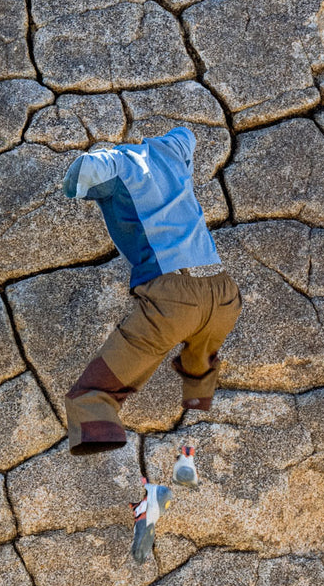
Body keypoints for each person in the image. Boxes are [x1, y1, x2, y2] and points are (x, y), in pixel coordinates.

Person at [62, 126, 242, 562]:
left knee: (93, 399)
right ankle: (194, 430)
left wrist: (101, 161)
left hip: (171, 296)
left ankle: (143, 494)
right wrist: (168, 150)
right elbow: (188, 135)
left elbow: (78, 178)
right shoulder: (169, 151)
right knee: (199, 367)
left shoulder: (119, 165)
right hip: (222, 292)